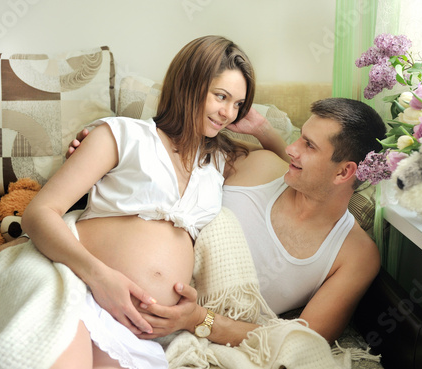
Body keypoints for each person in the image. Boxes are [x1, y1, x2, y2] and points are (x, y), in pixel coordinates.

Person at [17, 35, 284, 369]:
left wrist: (260, 128)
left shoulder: (218, 162)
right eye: (221, 96)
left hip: (138, 331)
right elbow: (39, 213)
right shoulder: (122, 135)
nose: (228, 113)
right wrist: (102, 279)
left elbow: (291, 169)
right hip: (83, 292)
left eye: (238, 104)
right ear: (190, 84)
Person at [65, 97, 386, 347]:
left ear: (345, 172)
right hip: (103, 283)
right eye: (299, 137)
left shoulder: (356, 255)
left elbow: (305, 338)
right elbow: (167, 157)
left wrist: (196, 320)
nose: (291, 148)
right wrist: (98, 158)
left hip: (176, 327)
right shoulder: (261, 166)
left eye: (309, 145)